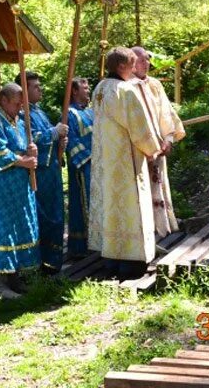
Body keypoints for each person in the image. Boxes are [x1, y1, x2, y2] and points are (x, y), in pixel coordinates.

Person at [88, 47, 163, 279]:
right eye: (132, 64)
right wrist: (154, 150)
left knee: (111, 209)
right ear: (122, 66)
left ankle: (111, 260)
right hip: (125, 162)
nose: (134, 69)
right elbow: (139, 129)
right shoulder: (125, 91)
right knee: (130, 210)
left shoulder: (99, 89)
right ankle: (131, 263)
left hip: (104, 163)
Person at [0, 82, 39, 298]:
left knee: (19, 229)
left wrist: (33, 150)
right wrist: (24, 161)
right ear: (3, 100)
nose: (20, 108)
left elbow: (25, 147)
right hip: (0, 188)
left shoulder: (20, 122)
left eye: (22, 104)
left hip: (19, 189)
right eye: (16, 103)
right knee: (0, 231)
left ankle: (15, 278)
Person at [131, 46, 184, 239]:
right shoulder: (126, 86)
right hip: (138, 151)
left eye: (147, 59)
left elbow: (166, 112)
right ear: (131, 62)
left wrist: (168, 139)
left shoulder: (154, 84)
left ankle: (163, 229)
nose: (146, 64)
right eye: (141, 60)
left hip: (159, 147)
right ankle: (145, 233)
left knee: (159, 187)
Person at [17, 72, 67, 273]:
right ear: (24, 90)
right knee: (42, 217)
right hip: (39, 174)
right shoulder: (22, 114)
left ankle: (53, 261)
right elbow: (29, 140)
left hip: (52, 171)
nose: (41, 89)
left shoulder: (39, 111)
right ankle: (40, 263)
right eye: (36, 86)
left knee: (55, 215)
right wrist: (54, 133)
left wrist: (61, 142)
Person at [65, 77, 95, 259]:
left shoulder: (90, 112)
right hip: (82, 168)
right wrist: (88, 159)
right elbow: (72, 142)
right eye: (84, 87)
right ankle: (80, 247)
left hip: (96, 165)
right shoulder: (68, 114)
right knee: (81, 204)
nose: (88, 90)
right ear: (74, 91)